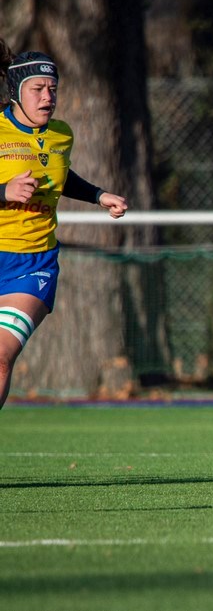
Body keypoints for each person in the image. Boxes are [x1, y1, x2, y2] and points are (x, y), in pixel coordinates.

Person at [0, 41, 129, 410]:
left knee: (2, 355)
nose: (47, 97)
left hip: (31, 265)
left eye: (52, 89)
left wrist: (98, 195)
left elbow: (61, 175)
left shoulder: (61, 135)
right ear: (15, 92)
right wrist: (3, 190)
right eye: (37, 89)